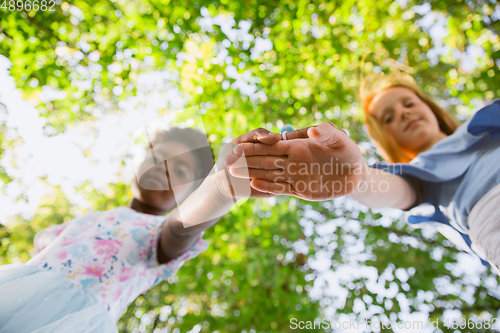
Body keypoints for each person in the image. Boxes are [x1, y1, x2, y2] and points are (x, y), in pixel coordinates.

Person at [0, 126, 282, 333]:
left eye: (180, 170)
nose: (164, 169)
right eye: (157, 157)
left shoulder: (159, 233)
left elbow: (182, 227)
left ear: (191, 194)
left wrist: (222, 186)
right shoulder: (93, 217)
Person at [227, 74, 500, 275]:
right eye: (389, 118)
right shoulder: (417, 177)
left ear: (429, 106)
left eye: (408, 103)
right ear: (386, 137)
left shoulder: (489, 121)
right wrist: (355, 177)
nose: (403, 114)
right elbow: (391, 189)